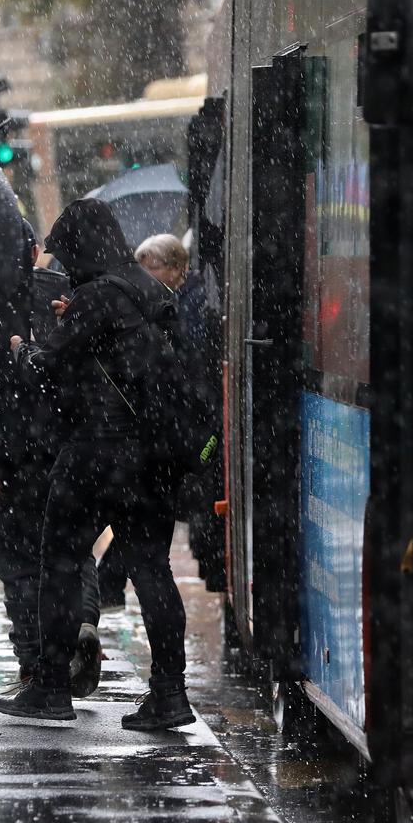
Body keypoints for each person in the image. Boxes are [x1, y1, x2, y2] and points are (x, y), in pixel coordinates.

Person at [0, 199, 192, 730]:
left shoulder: (96, 296)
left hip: (97, 456)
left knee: (58, 563)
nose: (64, 265)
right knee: (152, 570)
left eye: (67, 252)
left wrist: (20, 350)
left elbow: (49, 375)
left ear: (80, 247)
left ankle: (52, 688)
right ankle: (170, 694)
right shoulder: (149, 291)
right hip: (155, 458)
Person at [0, 231, 103, 694]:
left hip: (12, 458)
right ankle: (81, 627)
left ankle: (37, 663)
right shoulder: (67, 293)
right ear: (35, 252)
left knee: (19, 563)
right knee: (72, 552)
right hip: (68, 449)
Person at [134, 232, 227, 593]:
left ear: (177, 267)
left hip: (194, 415)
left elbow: (191, 356)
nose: (147, 274)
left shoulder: (193, 301)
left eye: (152, 266)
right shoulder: (167, 299)